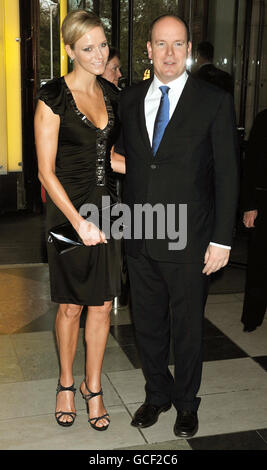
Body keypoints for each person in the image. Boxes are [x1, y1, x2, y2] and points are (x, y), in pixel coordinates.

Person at [111, 14, 239, 438]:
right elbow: (128, 159)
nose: (169, 53)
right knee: (146, 325)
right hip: (141, 234)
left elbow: (226, 174)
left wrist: (222, 239)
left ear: (188, 49)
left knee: (187, 329)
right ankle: (156, 396)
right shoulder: (128, 100)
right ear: (147, 49)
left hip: (191, 238)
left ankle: (187, 403)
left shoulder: (213, 100)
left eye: (178, 44)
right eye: (160, 44)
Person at [34, 10, 121, 431]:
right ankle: (66, 384)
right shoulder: (53, 96)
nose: (98, 54)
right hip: (67, 212)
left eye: (102, 45)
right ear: (69, 50)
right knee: (71, 306)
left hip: (106, 208)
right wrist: (78, 222)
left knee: (102, 304)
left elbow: (109, 158)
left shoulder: (111, 94)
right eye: (87, 48)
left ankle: (93, 386)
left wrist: (155, 168)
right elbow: (44, 172)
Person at [241, 109, 267, 332]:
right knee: (260, 263)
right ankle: (252, 317)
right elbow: (250, 165)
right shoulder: (264, 119)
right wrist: (249, 205)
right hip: (263, 200)